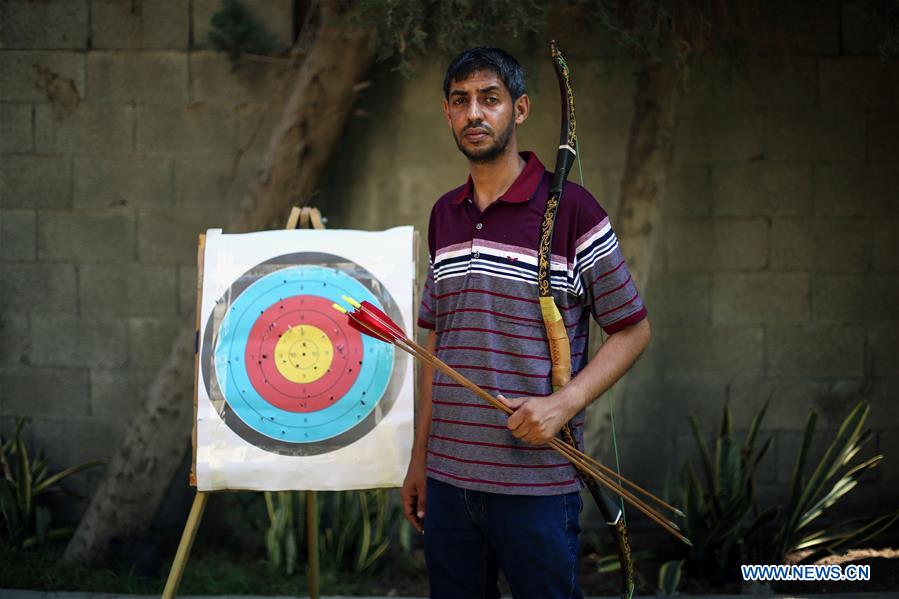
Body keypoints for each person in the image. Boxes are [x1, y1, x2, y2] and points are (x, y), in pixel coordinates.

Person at [400, 46, 652, 599]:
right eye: (461, 101)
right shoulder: (445, 213)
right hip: (447, 481)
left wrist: (562, 405)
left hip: (537, 482)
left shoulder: (577, 212)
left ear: (519, 109)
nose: (474, 113)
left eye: (490, 99)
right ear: (447, 112)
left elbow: (633, 329)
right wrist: (420, 457)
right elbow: (435, 342)